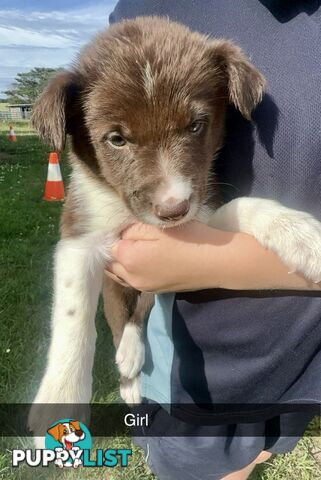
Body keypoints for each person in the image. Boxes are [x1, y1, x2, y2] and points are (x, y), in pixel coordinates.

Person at [106, 1, 321, 479]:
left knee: (262, 447)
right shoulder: (149, 11)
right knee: (205, 465)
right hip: (196, 370)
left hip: (302, 354)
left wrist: (209, 261)